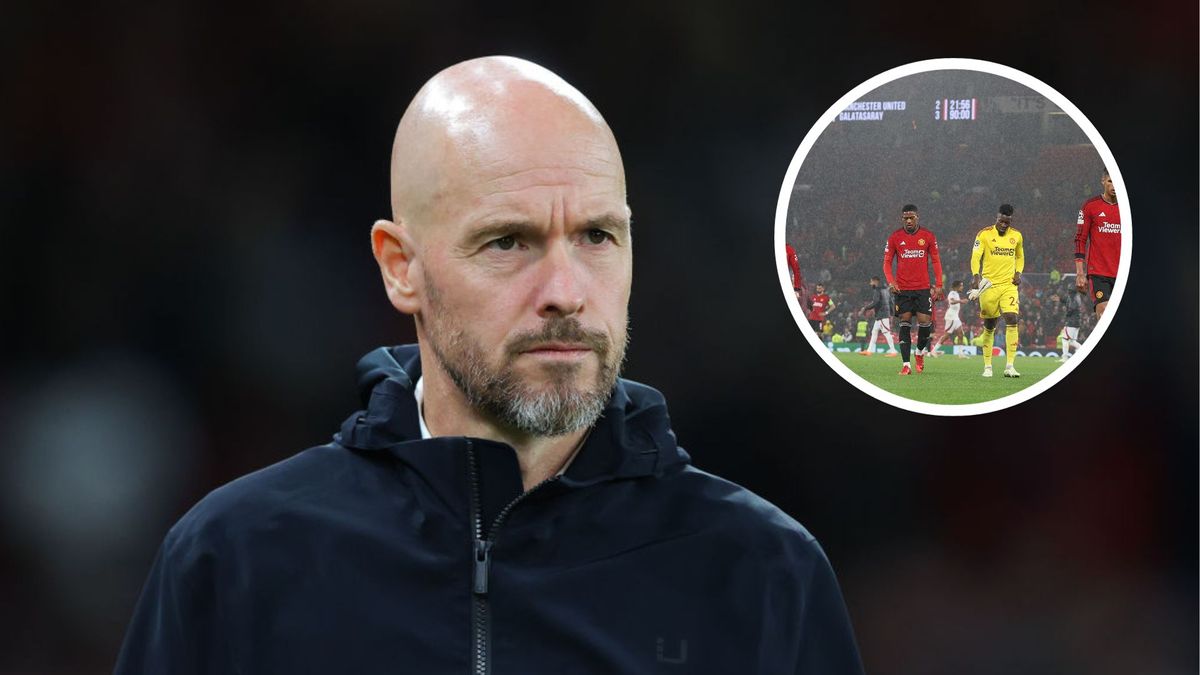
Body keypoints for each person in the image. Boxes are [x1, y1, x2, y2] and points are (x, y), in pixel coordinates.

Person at [113, 57, 864, 674]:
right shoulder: (236, 561)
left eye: (598, 237)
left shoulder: (763, 574)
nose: (567, 293)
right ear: (400, 267)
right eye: (509, 242)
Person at [882, 204, 944, 375]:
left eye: (911, 218)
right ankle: (906, 365)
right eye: (905, 218)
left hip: (923, 288)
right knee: (904, 324)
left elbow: (936, 261)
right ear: (902, 219)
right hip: (903, 290)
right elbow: (887, 262)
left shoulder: (928, 236)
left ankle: (919, 353)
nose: (908, 221)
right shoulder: (895, 237)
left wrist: (939, 284)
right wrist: (891, 281)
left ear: (918, 218)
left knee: (925, 323)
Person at [969, 204, 1025, 378]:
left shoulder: (1016, 236)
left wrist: (1018, 273)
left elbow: (1020, 256)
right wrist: (976, 276)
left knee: (1012, 318)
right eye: (1001, 221)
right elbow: (975, 256)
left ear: (1010, 221)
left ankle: (1010, 366)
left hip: (1008, 285)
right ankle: (987, 366)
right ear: (997, 218)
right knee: (990, 325)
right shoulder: (984, 234)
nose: (1003, 225)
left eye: (1007, 223)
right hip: (988, 286)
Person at [1074, 168, 1121, 318]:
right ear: (1103, 181)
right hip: (1099, 272)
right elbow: (1080, 239)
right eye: (1110, 181)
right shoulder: (1090, 206)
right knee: (1105, 314)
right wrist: (1080, 273)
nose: (1114, 186)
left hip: (1122, 271)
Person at [857, 276, 897, 356]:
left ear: (875, 282)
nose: (870, 283)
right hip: (882, 315)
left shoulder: (877, 290)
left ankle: (893, 352)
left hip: (882, 315)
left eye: (871, 282)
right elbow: (890, 301)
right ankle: (869, 351)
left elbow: (875, 302)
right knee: (874, 332)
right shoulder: (885, 290)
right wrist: (892, 313)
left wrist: (865, 308)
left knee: (886, 333)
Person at [928, 280, 967, 357]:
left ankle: (961, 353)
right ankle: (933, 351)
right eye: (961, 286)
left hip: (955, 316)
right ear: (957, 286)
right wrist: (961, 301)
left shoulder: (956, 293)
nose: (962, 287)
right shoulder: (952, 293)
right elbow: (951, 301)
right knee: (947, 335)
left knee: (960, 334)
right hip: (951, 316)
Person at [1055, 287, 1086, 361]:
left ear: (1070, 292)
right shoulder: (1076, 297)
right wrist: (1060, 299)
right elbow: (1067, 301)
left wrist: (1066, 315)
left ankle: (1065, 357)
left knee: (1065, 339)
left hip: (1071, 322)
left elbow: (1071, 308)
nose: (1068, 293)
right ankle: (1084, 352)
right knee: (1072, 341)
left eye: (1069, 291)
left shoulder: (1073, 299)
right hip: (1077, 322)